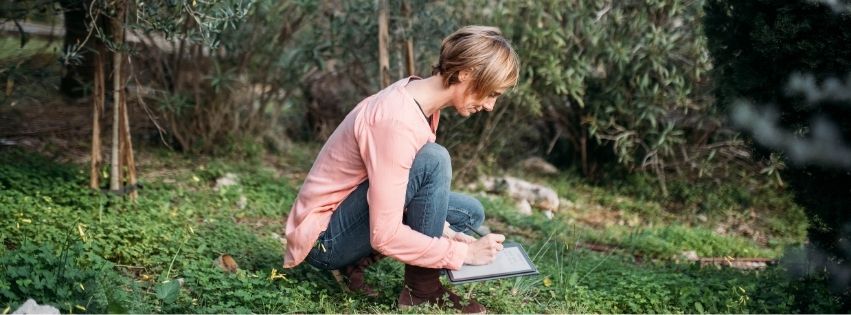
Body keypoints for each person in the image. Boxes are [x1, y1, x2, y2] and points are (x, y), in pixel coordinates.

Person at [283, 25, 520, 313]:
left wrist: (448, 233)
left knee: (468, 212)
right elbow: (384, 234)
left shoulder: (420, 101)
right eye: (492, 93)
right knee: (434, 159)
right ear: (467, 72)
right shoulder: (395, 120)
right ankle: (422, 290)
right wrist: (463, 252)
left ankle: (354, 264)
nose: (491, 106)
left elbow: (403, 189)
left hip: (349, 216)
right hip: (323, 240)